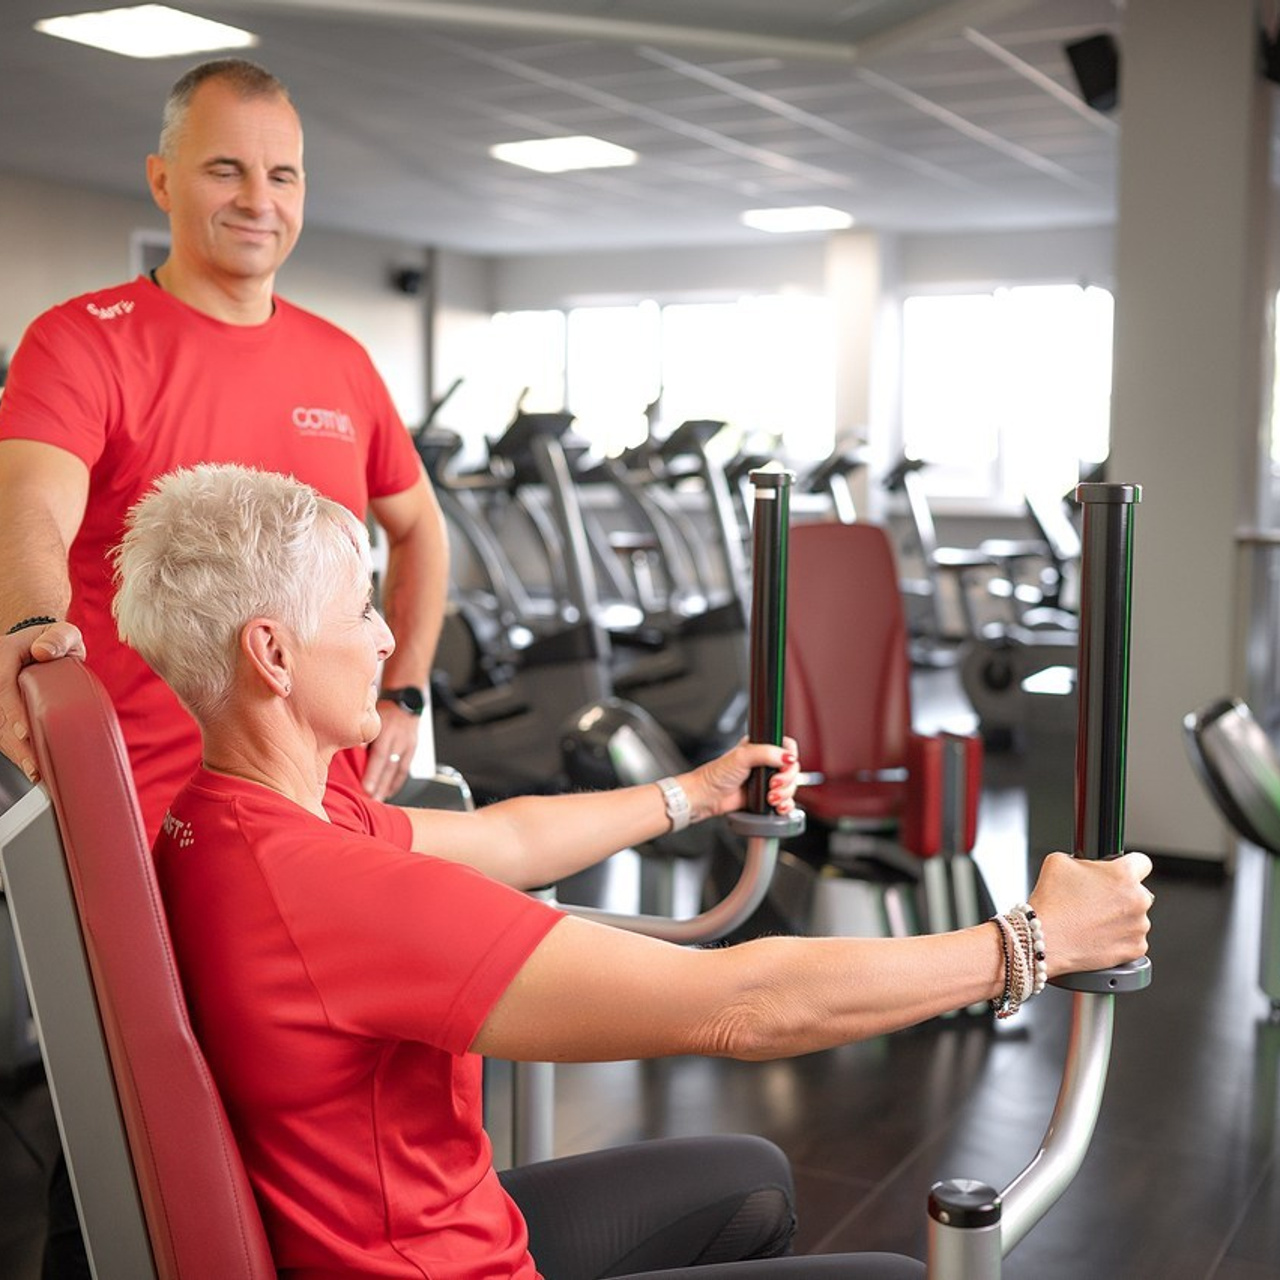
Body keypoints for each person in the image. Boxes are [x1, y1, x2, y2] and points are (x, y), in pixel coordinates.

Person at [110, 462, 1155, 1280]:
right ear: (274, 654)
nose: (389, 638)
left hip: (424, 1227)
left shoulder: (238, 813)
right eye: (361, 611)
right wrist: (1029, 941)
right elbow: (741, 1006)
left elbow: (510, 838)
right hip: (438, 1263)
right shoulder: (327, 889)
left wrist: (690, 794)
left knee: (750, 1178)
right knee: (891, 1269)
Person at [0, 57, 448, 844]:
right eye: (225, 170)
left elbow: (419, 528)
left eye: (283, 175)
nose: (258, 200)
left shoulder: (341, 359)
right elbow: (29, 498)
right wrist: (30, 626)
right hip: (147, 815)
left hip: (328, 818)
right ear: (163, 180)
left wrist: (404, 693)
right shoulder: (79, 342)